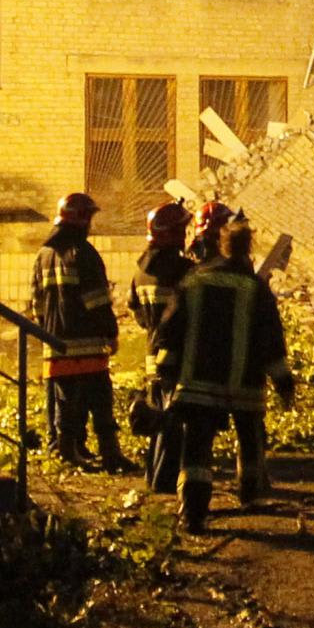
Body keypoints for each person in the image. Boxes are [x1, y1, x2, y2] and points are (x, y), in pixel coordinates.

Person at [151, 216, 296, 531]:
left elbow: (169, 332)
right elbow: (271, 341)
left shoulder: (194, 282)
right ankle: (251, 493)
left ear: (220, 245)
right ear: (249, 250)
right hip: (245, 386)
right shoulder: (256, 290)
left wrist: (165, 372)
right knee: (251, 439)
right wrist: (284, 381)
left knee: (197, 447)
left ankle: (193, 511)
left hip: (198, 383)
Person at [31, 192, 129, 471]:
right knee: (100, 401)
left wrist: (47, 332)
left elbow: (36, 301)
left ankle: (66, 452)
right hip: (87, 343)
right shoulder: (83, 253)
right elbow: (97, 301)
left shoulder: (43, 254)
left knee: (64, 401)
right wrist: (111, 332)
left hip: (55, 343)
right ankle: (110, 455)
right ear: (83, 219)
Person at [130, 201, 195, 493]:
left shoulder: (140, 272)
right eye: (181, 229)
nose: (185, 234)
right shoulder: (183, 270)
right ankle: (165, 482)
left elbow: (138, 314)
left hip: (151, 353)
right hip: (179, 356)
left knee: (158, 415)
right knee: (174, 421)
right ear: (171, 233)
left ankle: (152, 476)